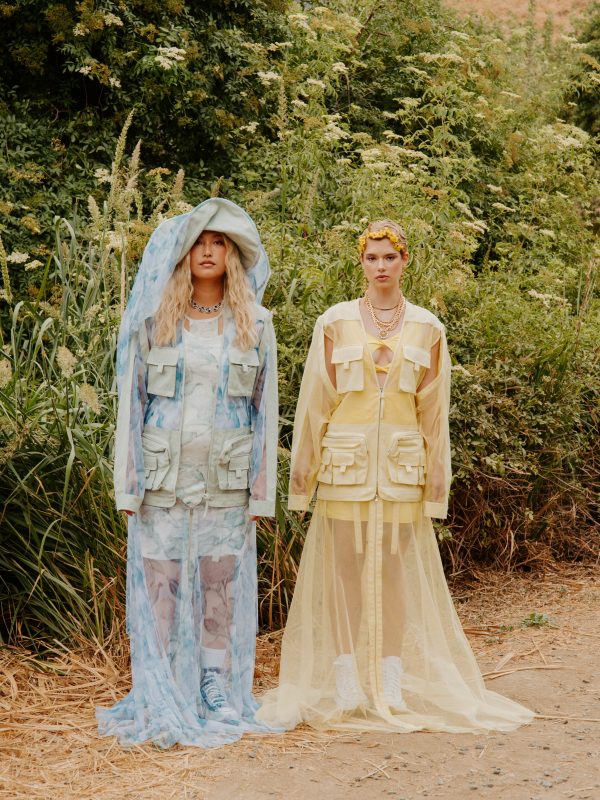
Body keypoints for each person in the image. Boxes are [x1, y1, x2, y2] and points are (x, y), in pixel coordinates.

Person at [257, 220, 532, 733]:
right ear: (361, 262)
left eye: (389, 256)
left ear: (405, 260)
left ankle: (391, 679)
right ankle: (345, 678)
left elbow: (434, 414)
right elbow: (315, 402)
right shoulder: (335, 322)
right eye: (372, 257)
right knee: (343, 570)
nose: (380, 265)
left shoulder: (428, 327)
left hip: (402, 468)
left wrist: (436, 487)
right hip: (345, 466)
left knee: (394, 571)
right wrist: (302, 480)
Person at [97, 198, 278, 748]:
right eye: (199, 242)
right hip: (162, 479)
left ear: (233, 255)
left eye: (219, 242)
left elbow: (266, 412)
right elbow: (131, 405)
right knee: (163, 584)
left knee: (218, 584)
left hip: (226, 479)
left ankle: (213, 684)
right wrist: (128, 486)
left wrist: (261, 492)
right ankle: (160, 687)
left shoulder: (256, 324)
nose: (208, 250)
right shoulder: (156, 321)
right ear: (183, 254)